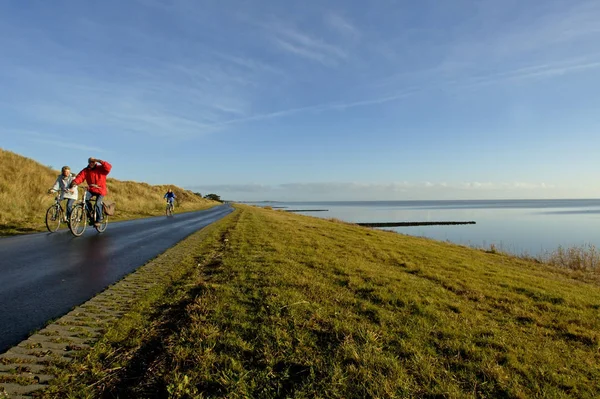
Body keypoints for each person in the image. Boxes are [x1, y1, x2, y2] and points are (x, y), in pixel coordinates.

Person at [70, 157, 112, 227]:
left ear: (95, 162)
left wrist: (99, 160)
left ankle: (99, 218)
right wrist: (75, 182)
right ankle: (91, 214)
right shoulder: (86, 170)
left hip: (100, 189)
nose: (91, 163)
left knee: (97, 203)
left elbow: (109, 167)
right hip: (91, 189)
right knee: (84, 199)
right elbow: (80, 177)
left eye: (93, 162)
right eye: (90, 162)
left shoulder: (101, 168)